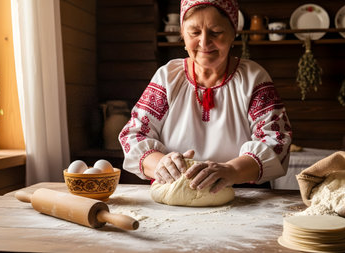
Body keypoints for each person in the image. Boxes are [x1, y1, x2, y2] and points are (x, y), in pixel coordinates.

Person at [120, 0, 292, 194]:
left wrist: (232, 170)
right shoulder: (168, 76)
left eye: (216, 32)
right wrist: (161, 163)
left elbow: (276, 140)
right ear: (182, 34)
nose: (204, 42)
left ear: (233, 33)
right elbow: (134, 135)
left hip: (242, 194)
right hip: (175, 189)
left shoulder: (253, 78)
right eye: (194, 32)